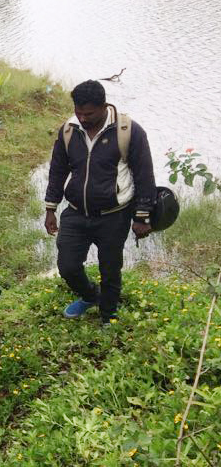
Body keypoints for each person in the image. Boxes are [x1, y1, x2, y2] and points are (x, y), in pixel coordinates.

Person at [44, 80, 156, 324]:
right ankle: (90, 295)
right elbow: (58, 171)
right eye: (78, 112)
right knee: (68, 266)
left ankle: (108, 316)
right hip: (76, 212)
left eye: (89, 114)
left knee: (110, 269)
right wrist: (51, 208)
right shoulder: (69, 130)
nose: (82, 118)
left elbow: (144, 174)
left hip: (114, 215)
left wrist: (143, 215)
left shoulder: (128, 131)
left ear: (104, 107)